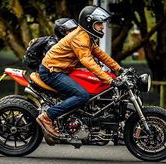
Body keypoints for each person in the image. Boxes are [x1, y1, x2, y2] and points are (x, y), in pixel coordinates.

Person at [36, 5, 123, 139]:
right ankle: (47, 116)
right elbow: (88, 62)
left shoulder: (87, 36)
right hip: (52, 71)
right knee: (82, 95)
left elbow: (100, 54)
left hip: (62, 69)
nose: (102, 27)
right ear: (89, 23)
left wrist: (118, 68)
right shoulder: (80, 38)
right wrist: (109, 79)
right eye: (99, 24)